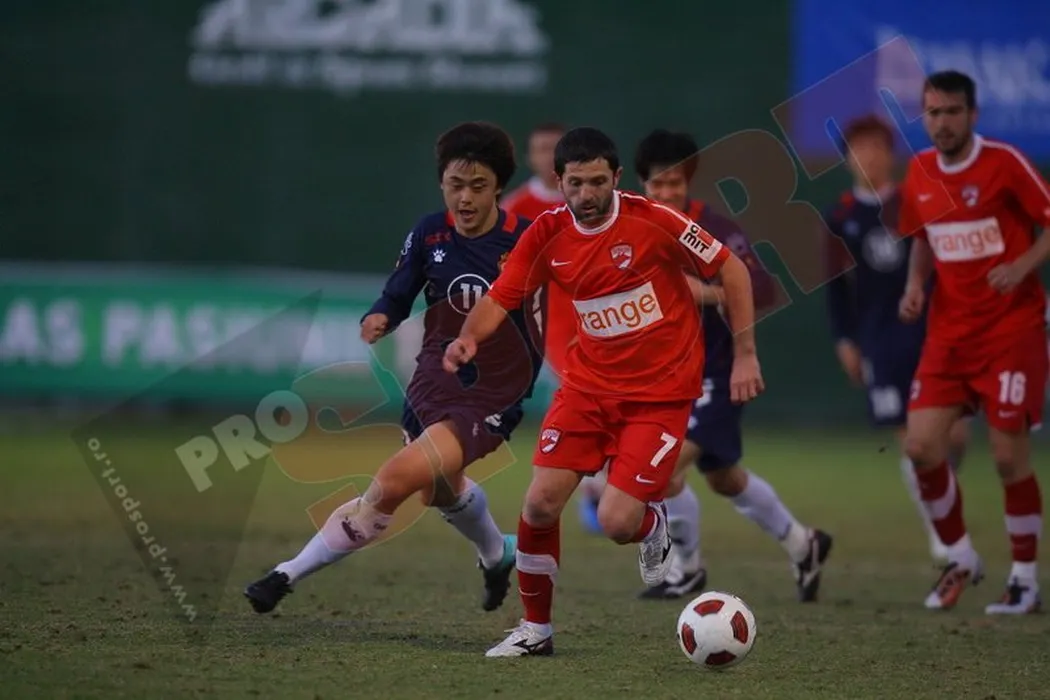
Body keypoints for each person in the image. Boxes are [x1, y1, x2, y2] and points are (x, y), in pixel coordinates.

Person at [442, 126, 765, 657]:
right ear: (559, 182)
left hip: (660, 395)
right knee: (539, 505)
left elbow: (733, 270)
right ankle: (536, 630)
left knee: (617, 523)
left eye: (597, 181)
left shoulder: (654, 220)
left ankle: (651, 521)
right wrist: (468, 339)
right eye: (576, 183)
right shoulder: (546, 233)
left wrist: (746, 354)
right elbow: (501, 297)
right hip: (587, 389)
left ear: (616, 178)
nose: (587, 194)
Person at [244, 122, 543, 616]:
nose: (465, 198)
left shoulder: (528, 239)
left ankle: (285, 574)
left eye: (478, 186)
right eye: (455, 185)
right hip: (434, 379)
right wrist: (381, 314)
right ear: (441, 183)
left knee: (394, 479)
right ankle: (496, 553)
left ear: (498, 188)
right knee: (437, 490)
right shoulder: (430, 232)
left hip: (494, 391)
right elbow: (399, 290)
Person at [581, 129, 832, 602]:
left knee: (663, 469)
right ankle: (804, 544)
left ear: (689, 182)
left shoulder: (712, 228)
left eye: (675, 183)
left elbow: (759, 288)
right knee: (723, 477)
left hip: (713, 374)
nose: (666, 193)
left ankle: (687, 568)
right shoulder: (632, 226)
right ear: (640, 183)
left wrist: (712, 303)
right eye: (657, 184)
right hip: (662, 377)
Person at [898, 70, 1050, 614]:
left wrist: (1022, 265)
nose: (942, 123)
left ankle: (1025, 580)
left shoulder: (1004, 163)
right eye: (933, 113)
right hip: (948, 336)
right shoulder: (919, 170)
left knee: (1008, 458)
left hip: (1011, 331)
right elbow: (923, 238)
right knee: (920, 448)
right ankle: (961, 557)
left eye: (952, 112)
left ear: (973, 115)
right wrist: (915, 286)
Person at [823, 115, 971, 563]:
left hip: (933, 333)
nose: (868, 156)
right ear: (847, 159)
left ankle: (943, 490)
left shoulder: (917, 200)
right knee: (913, 441)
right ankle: (941, 532)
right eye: (859, 148)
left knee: (955, 435)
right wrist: (845, 341)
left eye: (876, 147)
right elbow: (835, 287)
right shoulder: (840, 216)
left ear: (891, 154)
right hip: (879, 341)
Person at [502, 121, 605, 534]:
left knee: (596, 403)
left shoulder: (591, 200)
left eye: (553, 148)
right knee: (583, 401)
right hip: (550, 327)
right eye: (540, 149)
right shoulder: (515, 207)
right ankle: (589, 489)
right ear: (530, 156)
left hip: (600, 318)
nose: (547, 156)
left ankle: (596, 487)